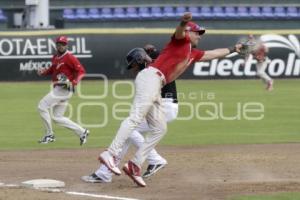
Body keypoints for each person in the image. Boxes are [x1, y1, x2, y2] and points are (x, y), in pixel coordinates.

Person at [99, 12, 243, 187]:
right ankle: (111, 154)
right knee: (135, 118)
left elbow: (213, 53)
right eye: (197, 32)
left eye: (200, 33)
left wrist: (234, 49)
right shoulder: (180, 41)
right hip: (151, 77)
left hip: (157, 84)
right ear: (188, 32)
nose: (199, 35)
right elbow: (179, 31)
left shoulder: (192, 53)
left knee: (160, 128)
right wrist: (183, 22)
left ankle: (135, 164)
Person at [81, 45, 179, 183]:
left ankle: (154, 159)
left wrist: (150, 49)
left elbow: (160, 53)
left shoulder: (155, 64)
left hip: (166, 105)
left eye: (133, 65)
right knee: (130, 131)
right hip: (162, 104)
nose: (132, 69)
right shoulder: (149, 69)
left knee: (130, 128)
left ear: (140, 59)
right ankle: (105, 172)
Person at [37, 36, 89, 145]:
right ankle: (82, 132)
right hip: (59, 88)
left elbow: (81, 71)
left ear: (66, 45)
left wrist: (74, 82)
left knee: (42, 106)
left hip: (64, 88)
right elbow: (53, 69)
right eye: (59, 44)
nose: (61, 46)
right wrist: (44, 72)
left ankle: (49, 135)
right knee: (57, 117)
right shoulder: (55, 57)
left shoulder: (69, 57)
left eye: (63, 44)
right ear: (56, 45)